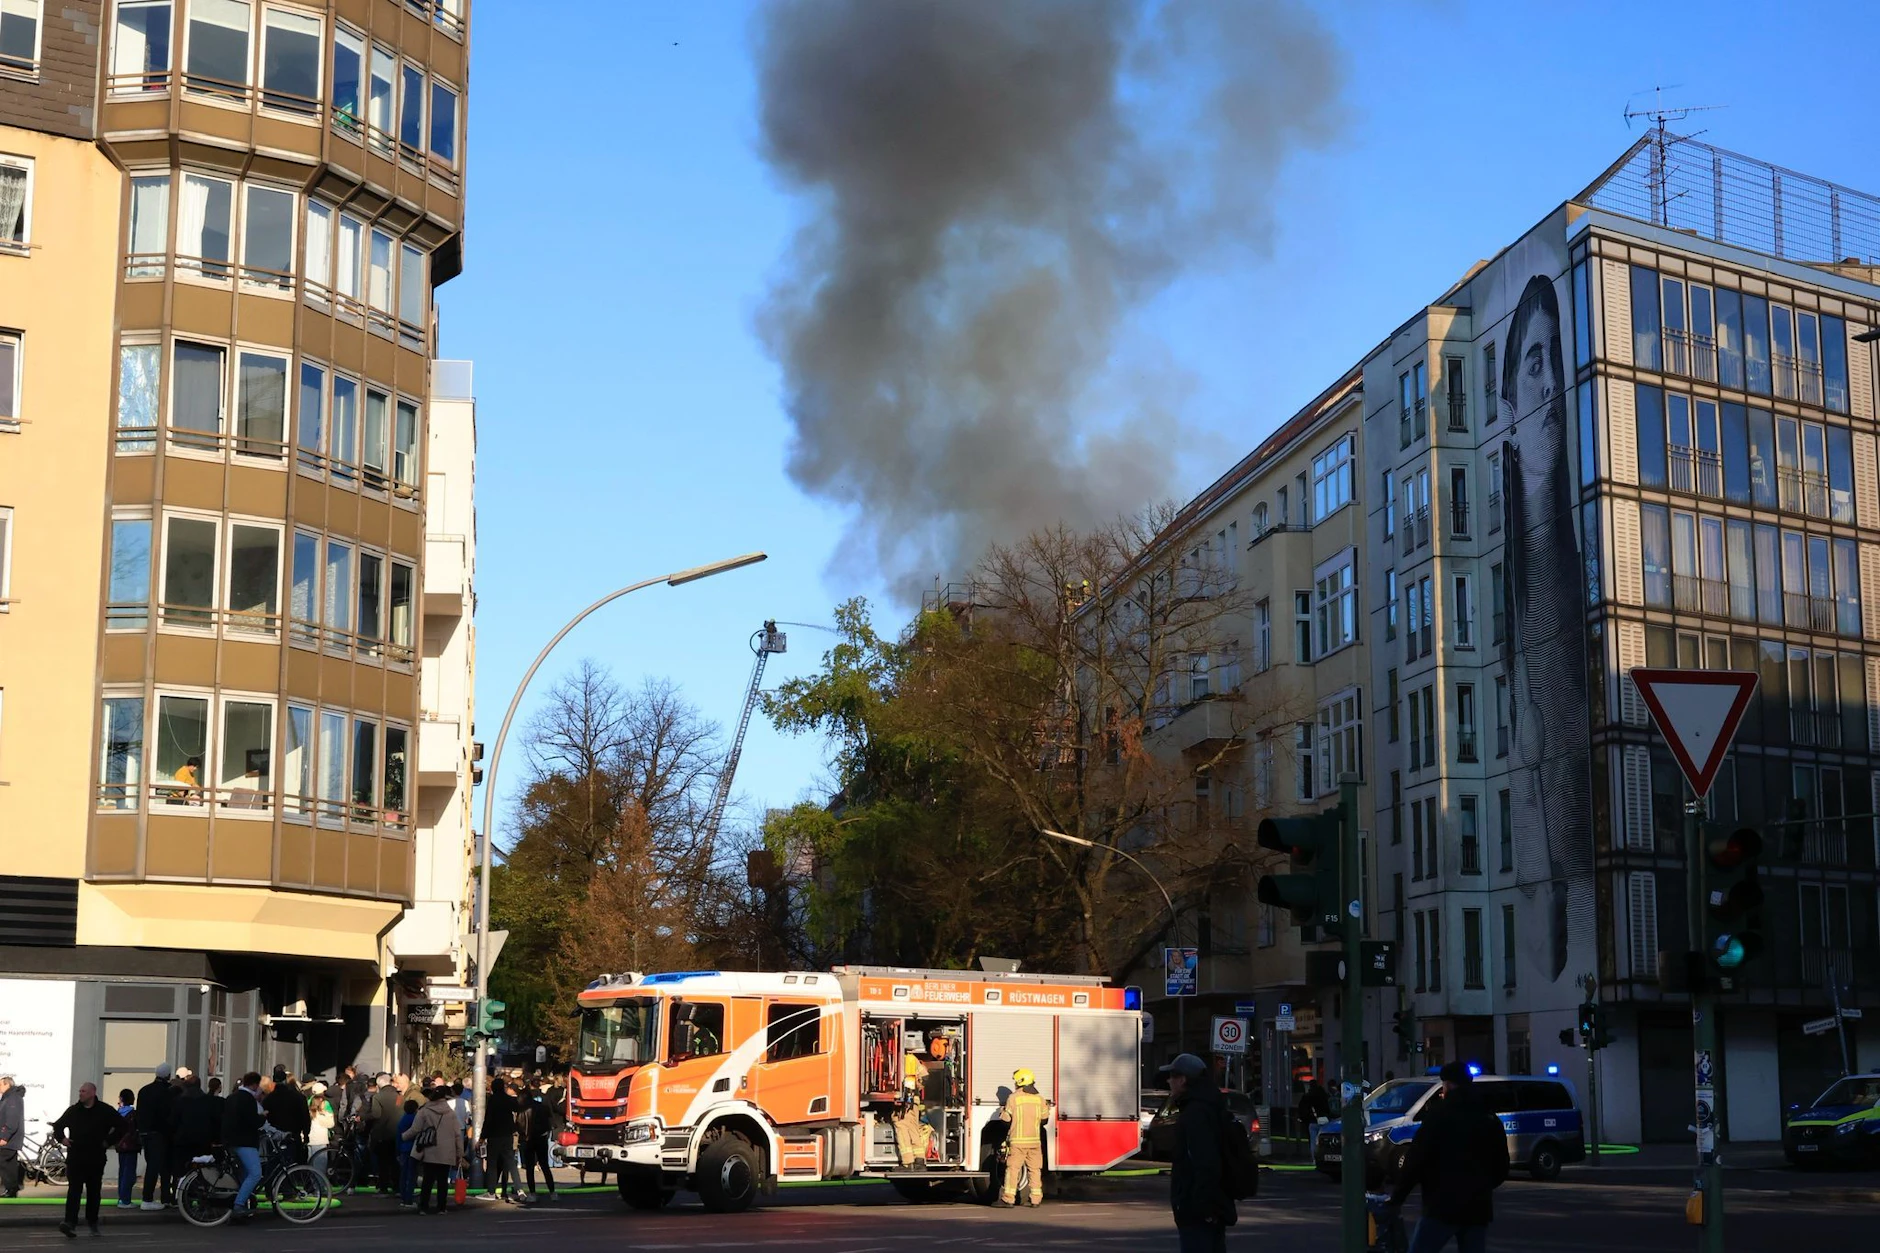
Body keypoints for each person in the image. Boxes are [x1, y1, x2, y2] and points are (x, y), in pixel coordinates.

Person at [1386, 1062, 1510, 1253]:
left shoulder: (1438, 1115)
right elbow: (1501, 1166)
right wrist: (1482, 1185)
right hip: (1477, 1208)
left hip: (1441, 1205)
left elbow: (1416, 1160)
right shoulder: (1488, 1116)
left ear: (1448, 1085)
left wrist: (1397, 1198)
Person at [1162, 1053, 1235, 1253]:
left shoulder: (1195, 1114)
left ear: (1183, 1080)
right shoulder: (1211, 1106)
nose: (1169, 1082)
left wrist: (1198, 1207)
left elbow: (1205, 1163)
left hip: (1198, 1214)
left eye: (1172, 1077)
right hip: (1214, 1207)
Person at [52, 1083, 125, 1237]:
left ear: (92, 1093)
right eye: (80, 1091)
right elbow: (58, 1126)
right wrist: (62, 1139)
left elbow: (122, 1126)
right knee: (74, 1191)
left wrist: (108, 1141)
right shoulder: (74, 1111)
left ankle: (92, 1222)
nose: (80, 1094)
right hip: (76, 1156)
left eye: (84, 1091)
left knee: (94, 1191)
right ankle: (70, 1223)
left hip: (95, 1156)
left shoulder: (104, 1110)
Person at [893, 1033, 953, 1168]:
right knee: (913, 1127)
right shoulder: (913, 1059)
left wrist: (908, 1092)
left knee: (901, 1126)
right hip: (913, 1098)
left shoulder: (901, 1059)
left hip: (904, 1099)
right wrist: (917, 1087)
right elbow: (925, 1076)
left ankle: (907, 1162)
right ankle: (920, 1159)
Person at [403, 1087, 464, 1215]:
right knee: (443, 1181)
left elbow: (415, 1129)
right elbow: (457, 1135)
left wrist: (403, 1136)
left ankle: (424, 1207)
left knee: (428, 1180)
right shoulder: (451, 1113)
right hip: (447, 1152)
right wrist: (460, 1153)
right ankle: (441, 1207)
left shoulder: (424, 1111)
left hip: (429, 1149)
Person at [995, 1068, 1051, 1207]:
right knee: (1035, 1170)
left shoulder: (1014, 1098)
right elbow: (1044, 1120)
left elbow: (1006, 1120)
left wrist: (1001, 1112)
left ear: (1020, 1082)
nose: (1015, 1084)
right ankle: (1036, 1200)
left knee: (1013, 1169)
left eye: (1016, 1081)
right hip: (1035, 1142)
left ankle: (1008, 1199)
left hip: (1018, 1142)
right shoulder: (1040, 1099)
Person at [222, 1073, 265, 1222]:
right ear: (254, 1084)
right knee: (255, 1173)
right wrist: (263, 1116)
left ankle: (243, 1203)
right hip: (245, 1141)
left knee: (243, 1175)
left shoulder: (232, 1097)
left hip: (231, 1140)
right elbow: (252, 1121)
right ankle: (239, 1205)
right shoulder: (248, 1099)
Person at [133, 1063, 176, 1209]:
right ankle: (152, 1198)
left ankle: (152, 1197)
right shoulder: (167, 1092)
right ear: (168, 1075)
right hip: (160, 1134)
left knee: (152, 1164)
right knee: (160, 1166)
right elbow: (167, 1115)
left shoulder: (144, 1090)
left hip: (145, 1133)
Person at [480, 1077, 521, 1202]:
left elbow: (488, 1120)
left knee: (492, 1164)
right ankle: (519, 1188)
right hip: (507, 1135)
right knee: (510, 1163)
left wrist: (482, 1137)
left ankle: (491, 1191)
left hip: (494, 1136)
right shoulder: (508, 1099)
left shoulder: (493, 1100)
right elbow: (518, 1108)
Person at [516, 1081, 556, 1200]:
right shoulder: (542, 1107)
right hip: (541, 1138)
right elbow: (548, 1123)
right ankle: (552, 1192)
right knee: (544, 1166)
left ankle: (532, 1193)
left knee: (529, 1168)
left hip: (528, 1140)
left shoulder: (522, 1110)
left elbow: (519, 1125)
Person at [367, 1073, 402, 1192]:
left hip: (383, 1133)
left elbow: (376, 1115)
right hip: (397, 1132)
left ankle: (383, 1187)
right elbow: (399, 1111)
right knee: (395, 1161)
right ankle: (397, 1186)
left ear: (378, 1085)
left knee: (383, 1162)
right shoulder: (399, 1096)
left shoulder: (378, 1097)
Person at [113, 1089, 139, 1208]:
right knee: (129, 1174)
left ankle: (121, 1198)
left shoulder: (117, 1113)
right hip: (131, 1146)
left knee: (122, 1172)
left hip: (120, 1146)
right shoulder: (133, 1114)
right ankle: (125, 1200)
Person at [0, 1074, 24, 1198]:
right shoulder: (9, 1097)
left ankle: (11, 1189)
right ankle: (12, 1188)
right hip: (9, 1138)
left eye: (0, 1084)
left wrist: (5, 1137)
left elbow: (12, 1120)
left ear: (7, 1084)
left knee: (4, 1163)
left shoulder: (12, 1098)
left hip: (9, 1139)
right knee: (9, 1164)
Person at [395, 1098, 419, 1208]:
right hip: (413, 1149)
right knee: (412, 1174)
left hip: (403, 1149)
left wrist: (398, 1151)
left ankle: (403, 1197)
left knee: (403, 1174)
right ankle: (409, 1199)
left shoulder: (402, 1119)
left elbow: (398, 1137)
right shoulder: (415, 1119)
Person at [306, 1080, 334, 1171]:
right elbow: (330, 1124)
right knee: (320, 1166)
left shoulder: (308, 1102)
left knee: (311, 1164)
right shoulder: (326, 1104)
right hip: (320, 1139)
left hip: (310, 1138)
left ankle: (311, 1179)